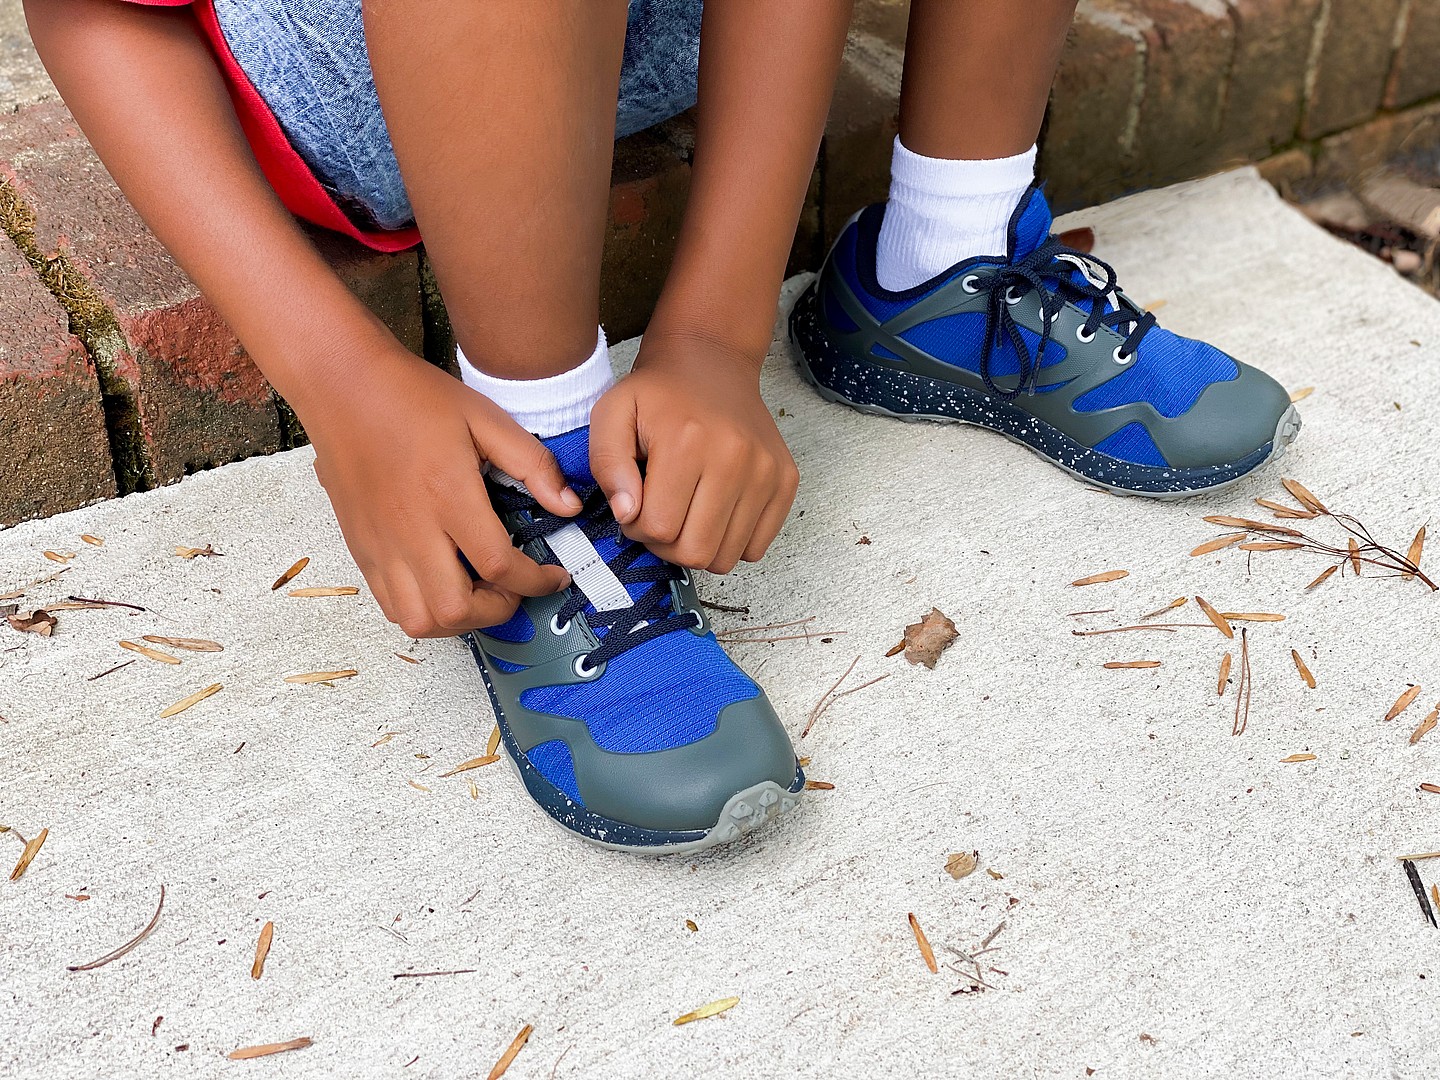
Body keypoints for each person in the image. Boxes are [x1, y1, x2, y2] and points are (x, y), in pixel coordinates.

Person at [26, 0, 1297, 855]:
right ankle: (543, 460)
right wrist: (341, 381)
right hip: (375, 63)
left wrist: (711, 337)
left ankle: (944, 257)